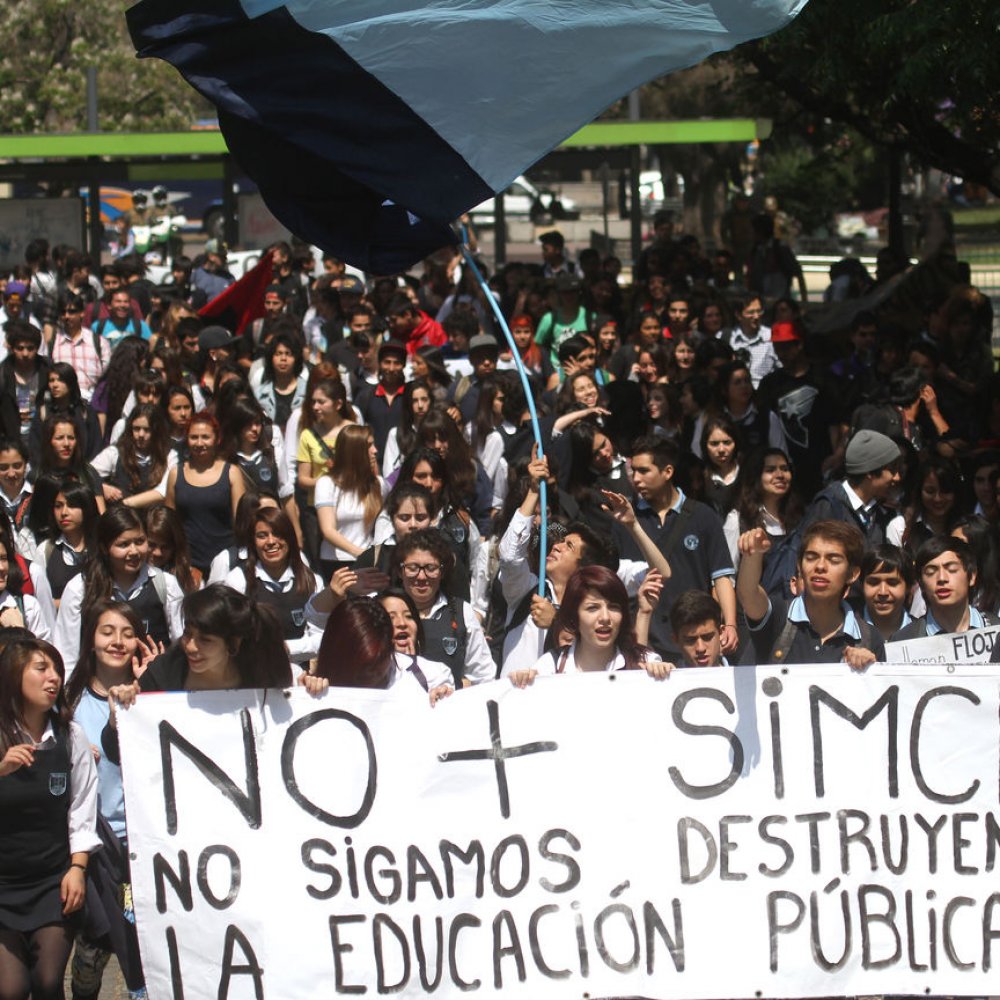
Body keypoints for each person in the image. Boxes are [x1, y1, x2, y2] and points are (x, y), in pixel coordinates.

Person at [64, 601, 157, 1000]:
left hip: (144, 844)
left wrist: (152, 686)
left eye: (127, 632)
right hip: (93, 846)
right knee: (93, 946)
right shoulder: (66, 702)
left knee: (143, 939)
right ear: (90, 640)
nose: (117, 641)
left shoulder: (159, 694)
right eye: (107, 631)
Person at [0, 636, 99, 1000]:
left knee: (46, 981)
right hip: (3, 883)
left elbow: (82, 810)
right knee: (10, 989)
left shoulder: (70, 736)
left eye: (57, 669)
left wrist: (78, 868)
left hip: (52, 881)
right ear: (13, 676)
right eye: (41, 669)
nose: (53, 678)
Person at [616, 436, 738, 660]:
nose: (636, 478)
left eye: (644, 471)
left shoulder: (703, 516)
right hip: (643, 641)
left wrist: (729, 624)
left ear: (668, 472)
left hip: (694, 641)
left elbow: (721, 576)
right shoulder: (625, 519)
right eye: (633, 472)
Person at [54, 506, 185, 675]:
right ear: (104, 548)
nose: (134, 551)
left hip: (152, 692)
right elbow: (67, 654)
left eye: (140, 541)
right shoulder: (80, 588)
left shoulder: (166, 585)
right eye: (123, 544)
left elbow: (180, 645)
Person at [737, 519, 883, 667]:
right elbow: (749, 595)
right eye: (811, 558)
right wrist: (753, 554)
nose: (820, 566)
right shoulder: (778, 615)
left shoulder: (869, 638)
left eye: (833, 560)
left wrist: (868, 667)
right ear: (799, 566)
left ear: (852, 574)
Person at [507, 565, 672, 685]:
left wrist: (664, 675)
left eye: (614, 607)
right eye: (592, 608)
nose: (605, 617)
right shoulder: (550, 665)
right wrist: (524, 681)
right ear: (574, 616)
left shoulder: (644, 662)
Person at [393, 528, 495, 686]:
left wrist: (458, 687)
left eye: (430, 568)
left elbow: (484, 676)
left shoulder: (462, 613)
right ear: (400, 571)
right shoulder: (381, 610)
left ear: (442, 572)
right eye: (413, 568)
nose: (421, 577)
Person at [224, 507, 323, 668]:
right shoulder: (237, 581)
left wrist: (286, 649)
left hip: (300, 680)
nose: (271, 541)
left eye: (278, 534)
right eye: (262, 536)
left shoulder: (312, 581)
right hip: (253, 678)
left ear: (290, 538)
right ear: (252, 542)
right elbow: (231, 637)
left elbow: (320, 639)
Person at [307, 597, 452, 705]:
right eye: (363, 666)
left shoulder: (431, 675)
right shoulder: (317, 690)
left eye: (378, 662)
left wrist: (446, 699)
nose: (370, 673)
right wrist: (309, 695)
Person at [165, 412, 245, 575]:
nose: (199, 443)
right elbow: (169, 523)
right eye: (194, 437)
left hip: (225, 563)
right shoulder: (175, 474)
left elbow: (241, 522)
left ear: (217, 439)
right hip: (188, 563)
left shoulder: (231, 473)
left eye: (205, 437)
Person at [801, 429, 901, 548]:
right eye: (892, 470)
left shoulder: (880, 512)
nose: (897, 478)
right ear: (870, 472)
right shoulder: (829, 505)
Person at [891, 537, 1000, 641]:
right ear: (921, 583)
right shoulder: (905, 640)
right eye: (931, 572)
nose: (942, 578)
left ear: (971, 576)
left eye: (951, 569)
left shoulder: (996, 628)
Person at [315, 424, 385, 581]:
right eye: (368, 446)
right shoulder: (327, 484)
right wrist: (360, 553)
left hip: (369, 562)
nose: (375, 450)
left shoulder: (379, 485)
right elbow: (328, 530)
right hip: (337, 562)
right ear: (354, 452)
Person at [89, 403, 172, 509]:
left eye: (147, 430)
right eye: (136, 429)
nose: (141, 434)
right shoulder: (115, 452)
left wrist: (125, 503)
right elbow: (86, 475)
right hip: (123, 520)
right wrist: (102, 487)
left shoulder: (168, 455)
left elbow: (163, 491)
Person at [860, 544, 915, 642]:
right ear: (862, 585)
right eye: (873, 582)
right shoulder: (845, 634)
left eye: (892, 583)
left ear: (908, 587)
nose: (883, 592)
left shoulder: (924, 634)